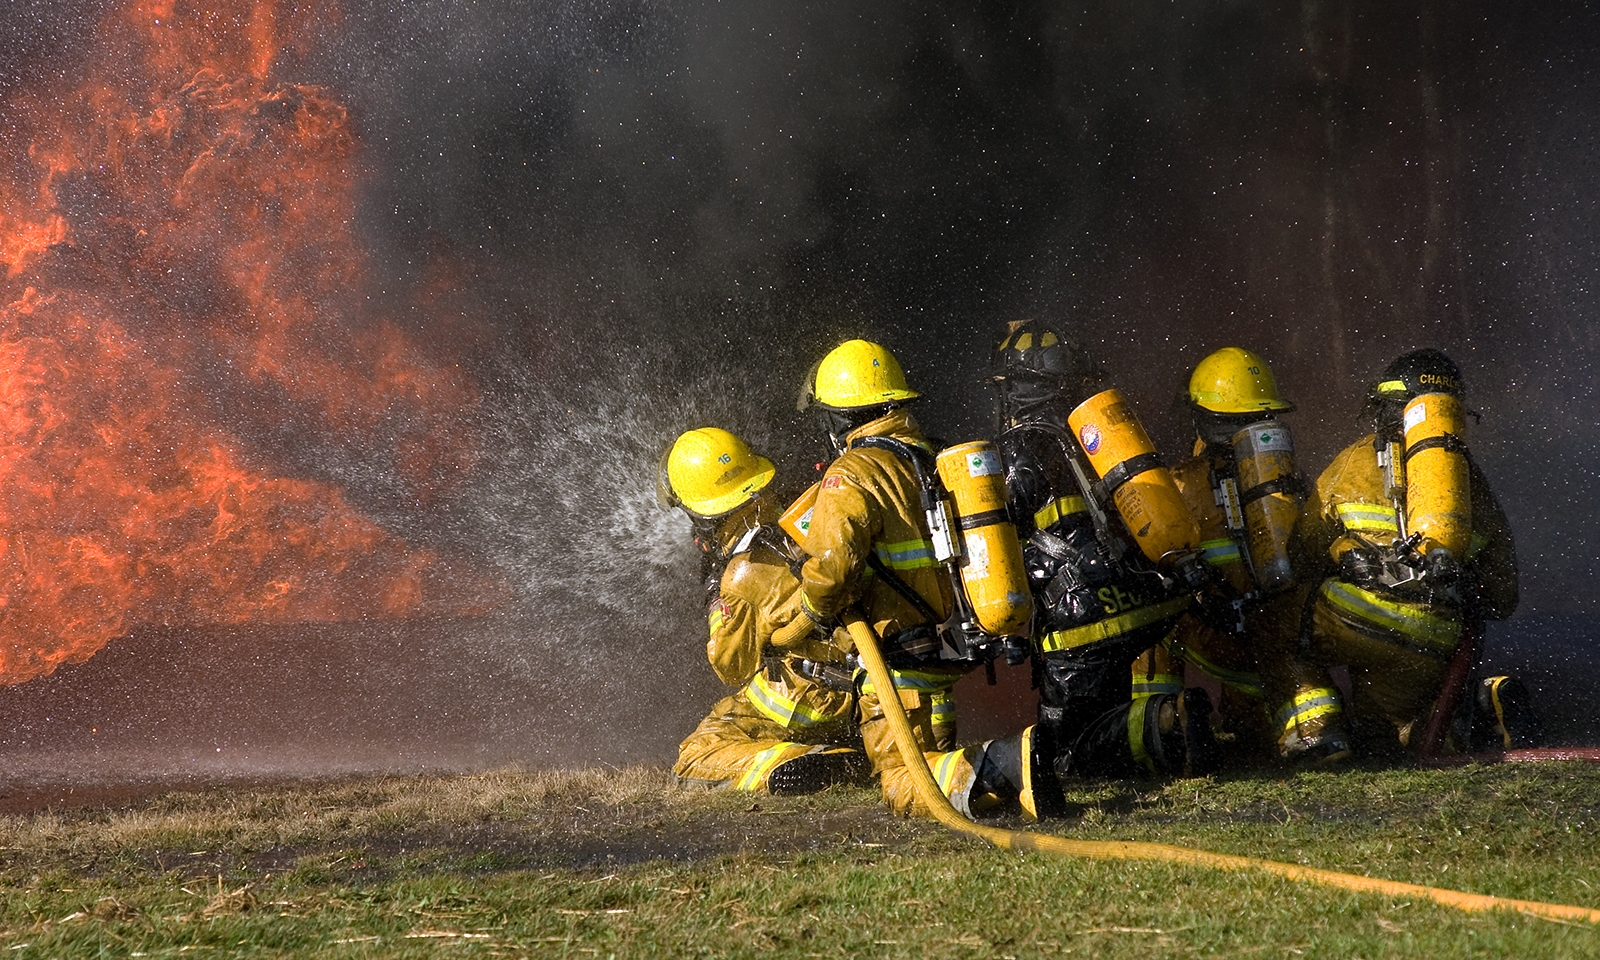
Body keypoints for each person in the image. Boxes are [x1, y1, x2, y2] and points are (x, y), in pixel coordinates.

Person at [792, 338, 1057, 819]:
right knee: (938, 759)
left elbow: (833, 570)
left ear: (840, 415)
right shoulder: (931, 456)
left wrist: (809, 612)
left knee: (902, 780)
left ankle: (1011, 761)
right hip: (952, 648)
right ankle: (1007, 781)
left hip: (898, 658)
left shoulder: (851, 473)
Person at [987, 320, 1219, 781]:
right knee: (1104, 712)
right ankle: (1161, 725)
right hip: (1145, 593)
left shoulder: (1023, 446)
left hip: (1080, 618)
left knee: (1062, 755)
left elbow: (1003, 527)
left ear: (1016, 388)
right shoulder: (1101, 433)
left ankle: (1171, 716)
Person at [1293, 348, 1534, 757]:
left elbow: (1302, 550)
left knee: (1274, 623)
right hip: (1434, 635)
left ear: (1385, 405)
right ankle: (1480, 707)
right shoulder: (1467, 480)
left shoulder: (1351, 461)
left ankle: (1320, 733)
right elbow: (1502, 597)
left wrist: (1343, 551)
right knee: (1391, 728)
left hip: (1356, 617)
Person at [1142, 347, 1352, 766]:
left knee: (1149, 614)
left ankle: (1159, 724)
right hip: (1286, 639)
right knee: (1282, 630)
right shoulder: (1286, 483)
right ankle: (1314, 728)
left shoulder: (1177, 488)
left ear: (1204, 417)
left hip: (1220, 641)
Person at [659, 427, 870, 794]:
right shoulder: (806, 511)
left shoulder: (740, 577)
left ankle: (795, 761)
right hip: (870, 686)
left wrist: (717, 600)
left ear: (704, 515)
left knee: (695, 755)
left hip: (814, 701)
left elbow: (731, 665)